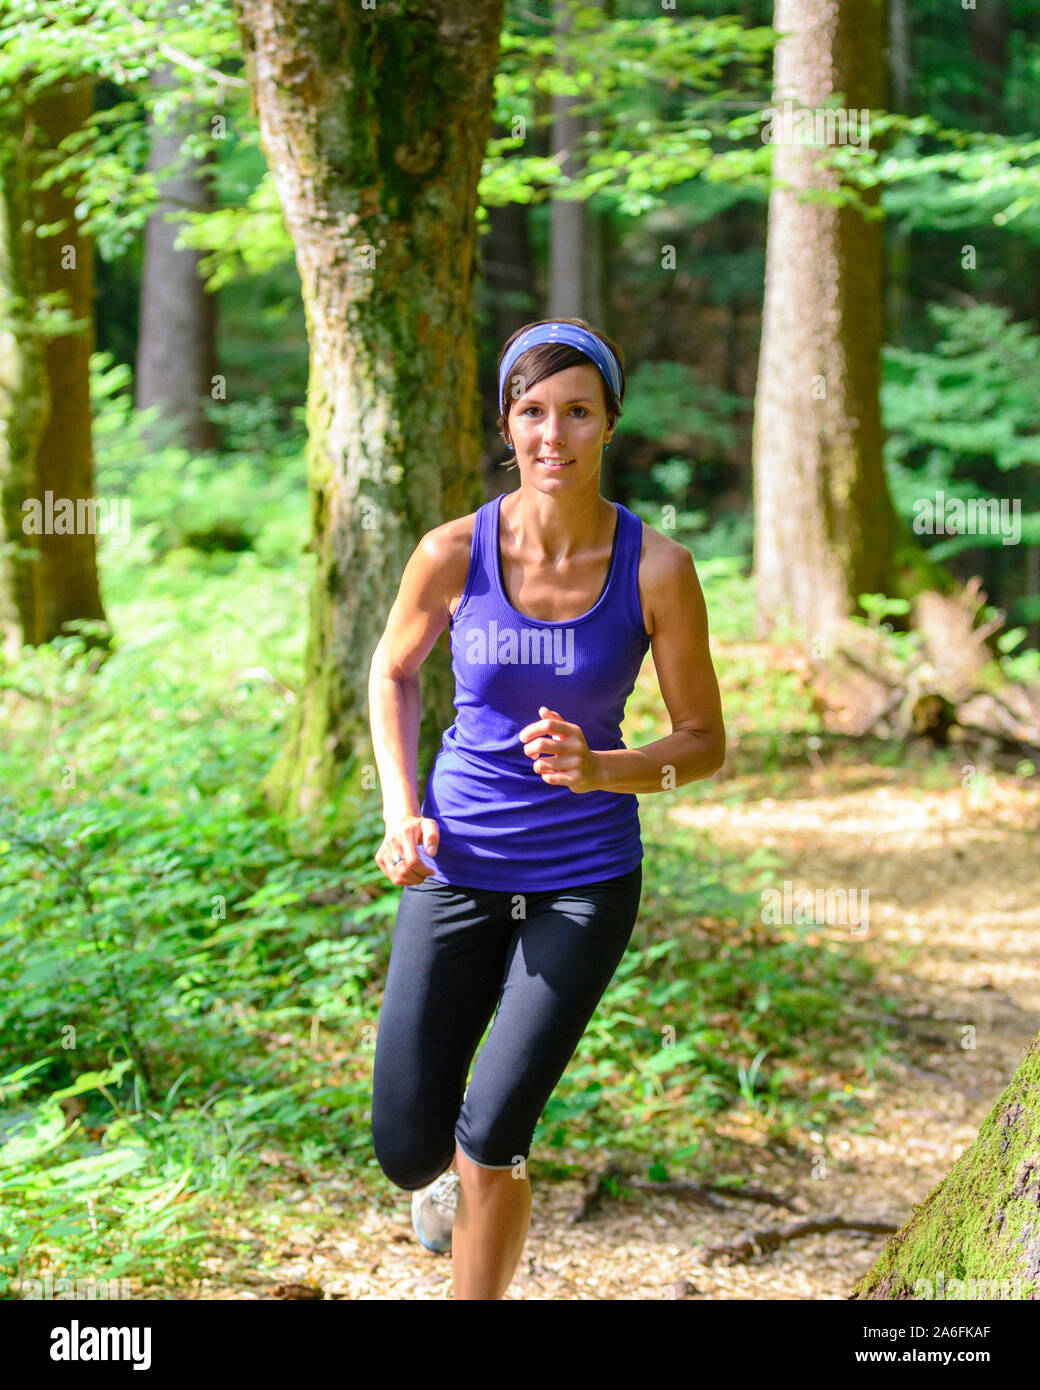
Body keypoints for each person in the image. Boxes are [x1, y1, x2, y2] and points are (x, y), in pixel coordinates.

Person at [367, 317, 726, 1300]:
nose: (551, 436)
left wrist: (601, 767)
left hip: (581, 881)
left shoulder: (656, 569)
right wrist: (402, 811)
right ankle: (438, 1191)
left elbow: (702, 743)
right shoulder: (449, 553)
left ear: (609, 423)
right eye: (531, 412)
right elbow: (392, 674)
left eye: (576, 412)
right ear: (506, 422)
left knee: (494, 1129)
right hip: (455, 867)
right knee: (407, 1145)